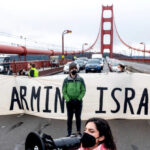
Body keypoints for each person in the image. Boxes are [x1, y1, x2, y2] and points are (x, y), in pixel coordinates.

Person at [62, 62, 86, 137]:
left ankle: (78, 132)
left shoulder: (81, 79)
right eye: (72, 69)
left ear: (77, 69)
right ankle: (69, 133)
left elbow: (83, 90)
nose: (74, 70)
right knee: (69, 118)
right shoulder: (66, 80)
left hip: (78, 102)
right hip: (69, 102)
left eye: (75, 68)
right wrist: (68, 100)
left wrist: (79, 98)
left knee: (78, 118)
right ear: (69, 70)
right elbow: (64, 91)